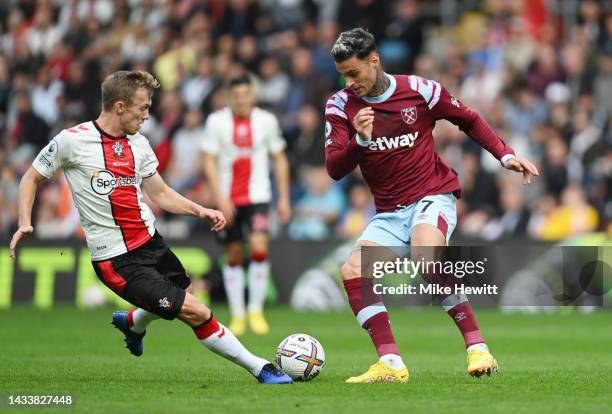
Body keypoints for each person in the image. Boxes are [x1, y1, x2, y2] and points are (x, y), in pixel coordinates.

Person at [9, 70, 292, 384]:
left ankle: (133, 324)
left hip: (150, 243)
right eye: (142, 108)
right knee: (197, 312)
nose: (147, 115)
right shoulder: (72, 141)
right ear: (119, 106)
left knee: (181, 294)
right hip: (117, 259)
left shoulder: (139, 144)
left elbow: (161, 193)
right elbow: (31, 176)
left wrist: (201, 210)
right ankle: (260, 368)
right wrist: (25, 221)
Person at [324, 28, 539, 383]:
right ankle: (391, 364)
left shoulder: (420, 91)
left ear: (373, 60)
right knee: (352, 272)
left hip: (431, 195)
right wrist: (360, 140)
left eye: (354, 72)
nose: (349, 82)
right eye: (343, 75)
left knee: (425, 257)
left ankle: (477, 347)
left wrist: (505, 155)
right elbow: (335, 168)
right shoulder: (340, 105)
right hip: (389, 213)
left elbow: (467, 118)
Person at [201, 74, 291, 336]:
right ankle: (239, 313)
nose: (241, 99)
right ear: (229, 97)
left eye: (245, 94)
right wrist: (220, 198)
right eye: (236, 95)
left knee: (260, 247)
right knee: (233, 255)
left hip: (258, 196)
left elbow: (280, 158)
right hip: (228, 199)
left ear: (252, 95)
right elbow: (208, 160)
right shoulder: (216, 121)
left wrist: (284, 197)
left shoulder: (266, 121)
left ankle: (256, 310)